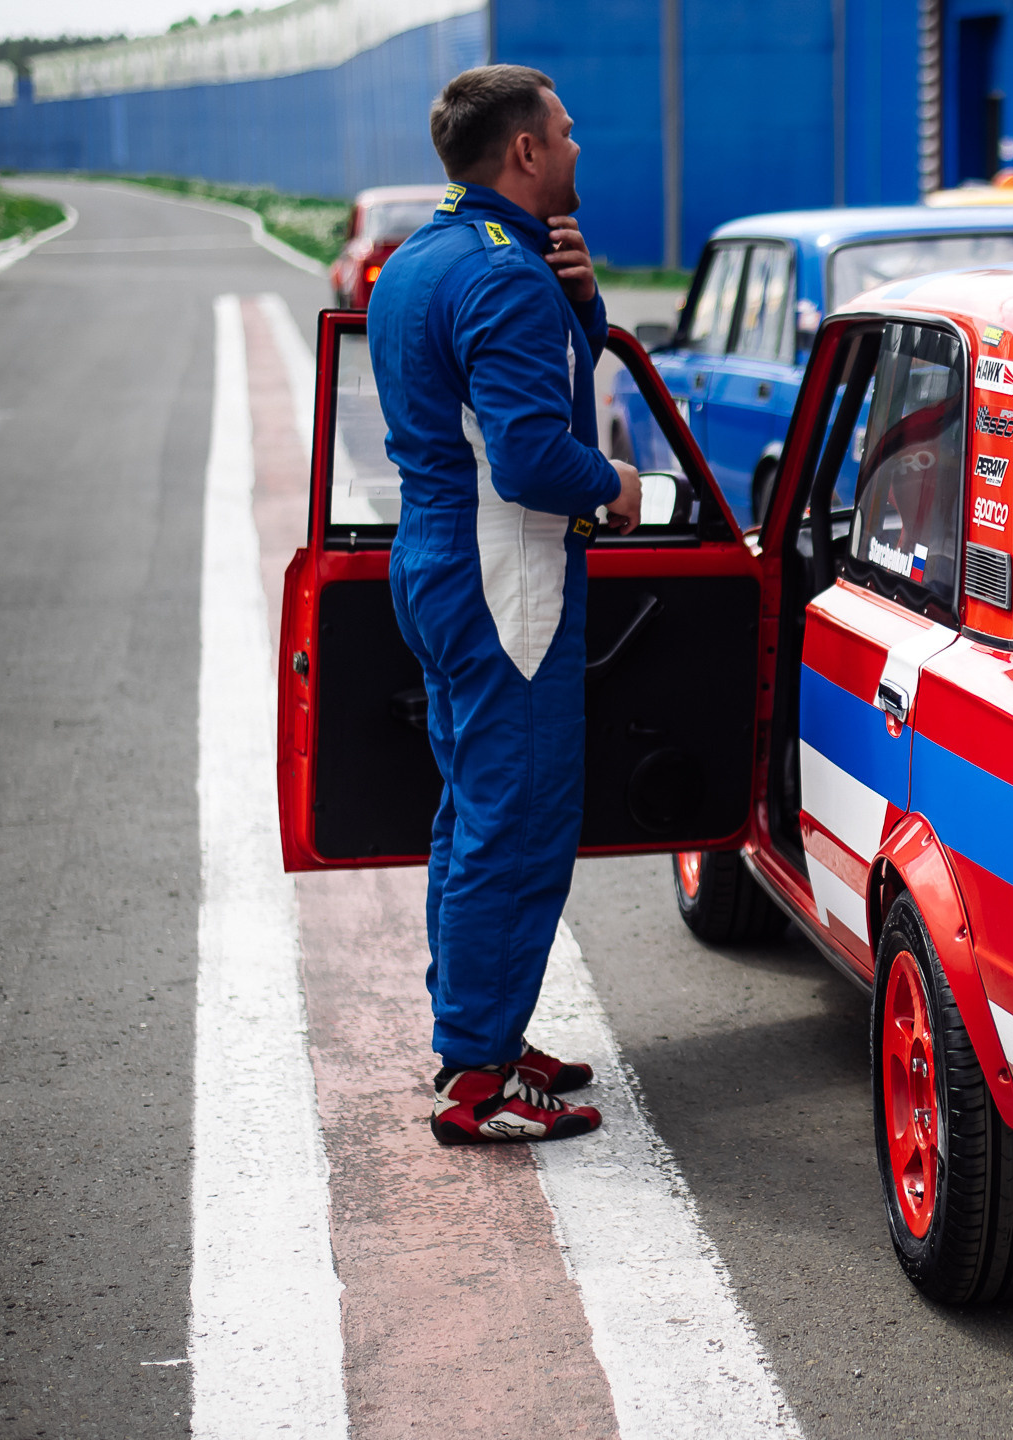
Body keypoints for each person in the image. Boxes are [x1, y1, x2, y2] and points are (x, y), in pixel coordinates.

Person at [367, 64, 644, 1146]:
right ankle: (476, 1075)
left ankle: (478, 1033)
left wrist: (582, 303)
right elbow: (531, 455)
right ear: (524, 152)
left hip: (436, 563)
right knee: (516, 825)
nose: (577, 150)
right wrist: (618, 489)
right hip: (509, 573)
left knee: (468, 815)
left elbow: (499, 414)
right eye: (565, 135)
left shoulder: (423, 259)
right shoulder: (505, 277)